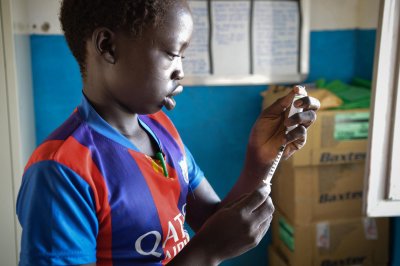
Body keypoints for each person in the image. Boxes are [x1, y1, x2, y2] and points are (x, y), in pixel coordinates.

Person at [16, 0, 320, 265]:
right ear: (108, 46)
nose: (181, 71)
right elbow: (210, 243)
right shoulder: (60, 171)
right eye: (172, 53)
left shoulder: (161, 129)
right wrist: (206, 252)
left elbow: (215, 223)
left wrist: (260, 158)